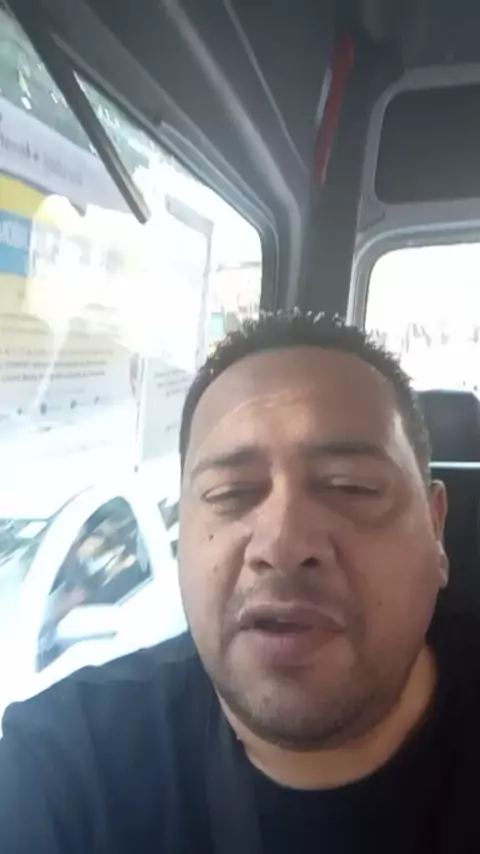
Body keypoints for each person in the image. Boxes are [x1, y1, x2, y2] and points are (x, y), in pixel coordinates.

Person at [2, 310, 480, 853]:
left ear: (436, 528)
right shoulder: (66, 768)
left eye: (350, 486)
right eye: (230, 493)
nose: (282, 545)